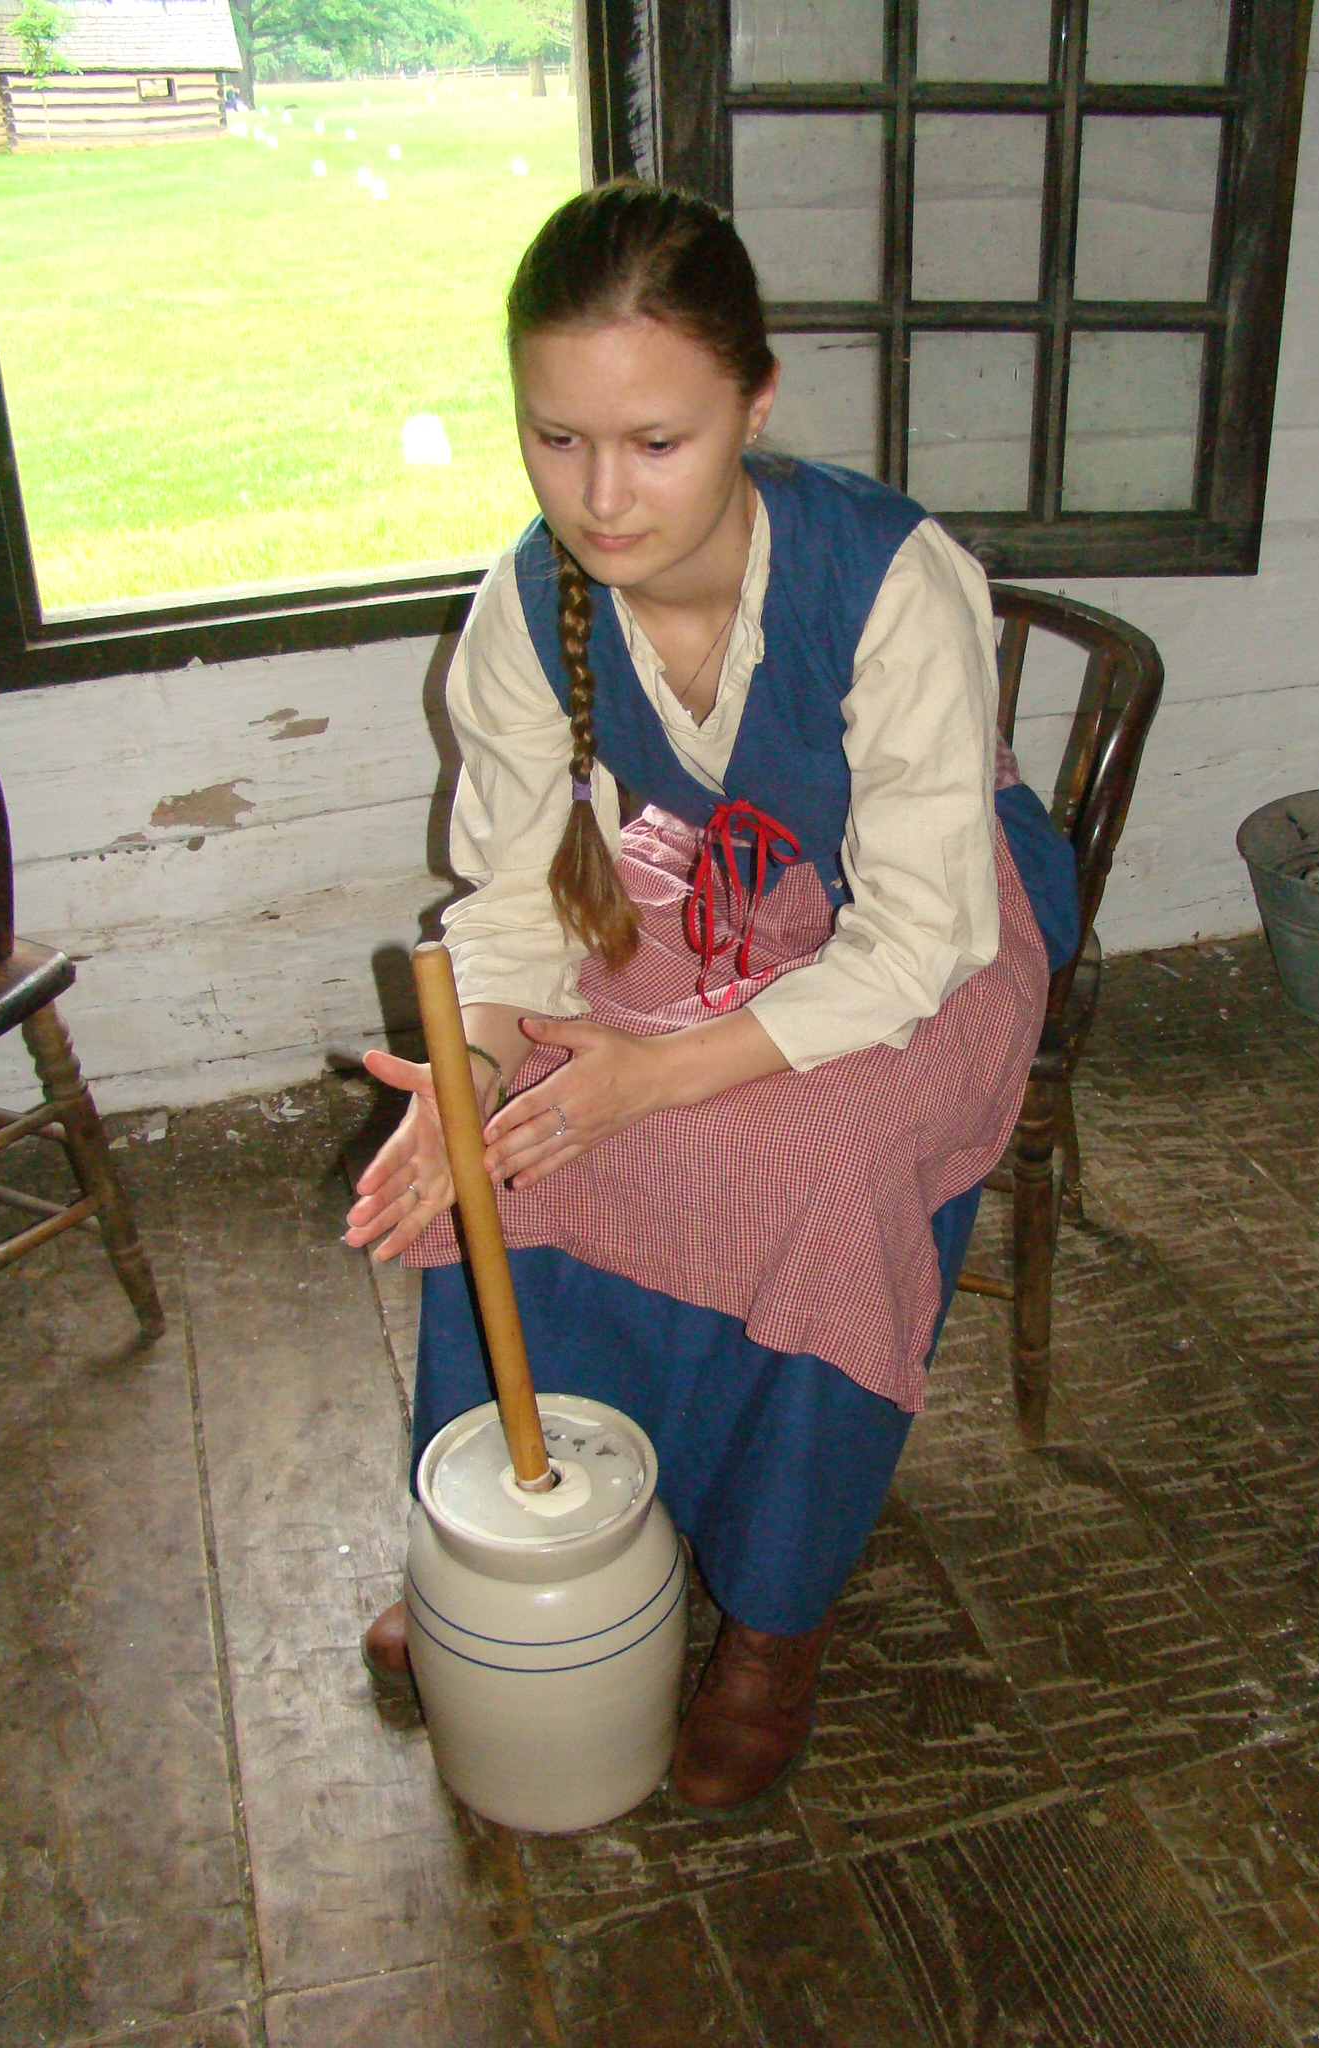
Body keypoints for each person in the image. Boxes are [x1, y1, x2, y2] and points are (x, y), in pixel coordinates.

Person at [344, 180, 1077, 1817]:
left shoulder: (892, 582)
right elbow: (523, 906)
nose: (600, 498)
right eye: (555, 439)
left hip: (929, 929)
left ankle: (770, 1620)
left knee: (806, 1176)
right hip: (705, 885)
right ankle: (527, 1534)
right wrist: (463, 1075)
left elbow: (916, 938)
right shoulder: (528, 606)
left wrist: (654, 1076)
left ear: (755, 402)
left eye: (657, 442)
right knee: (515, 1140)